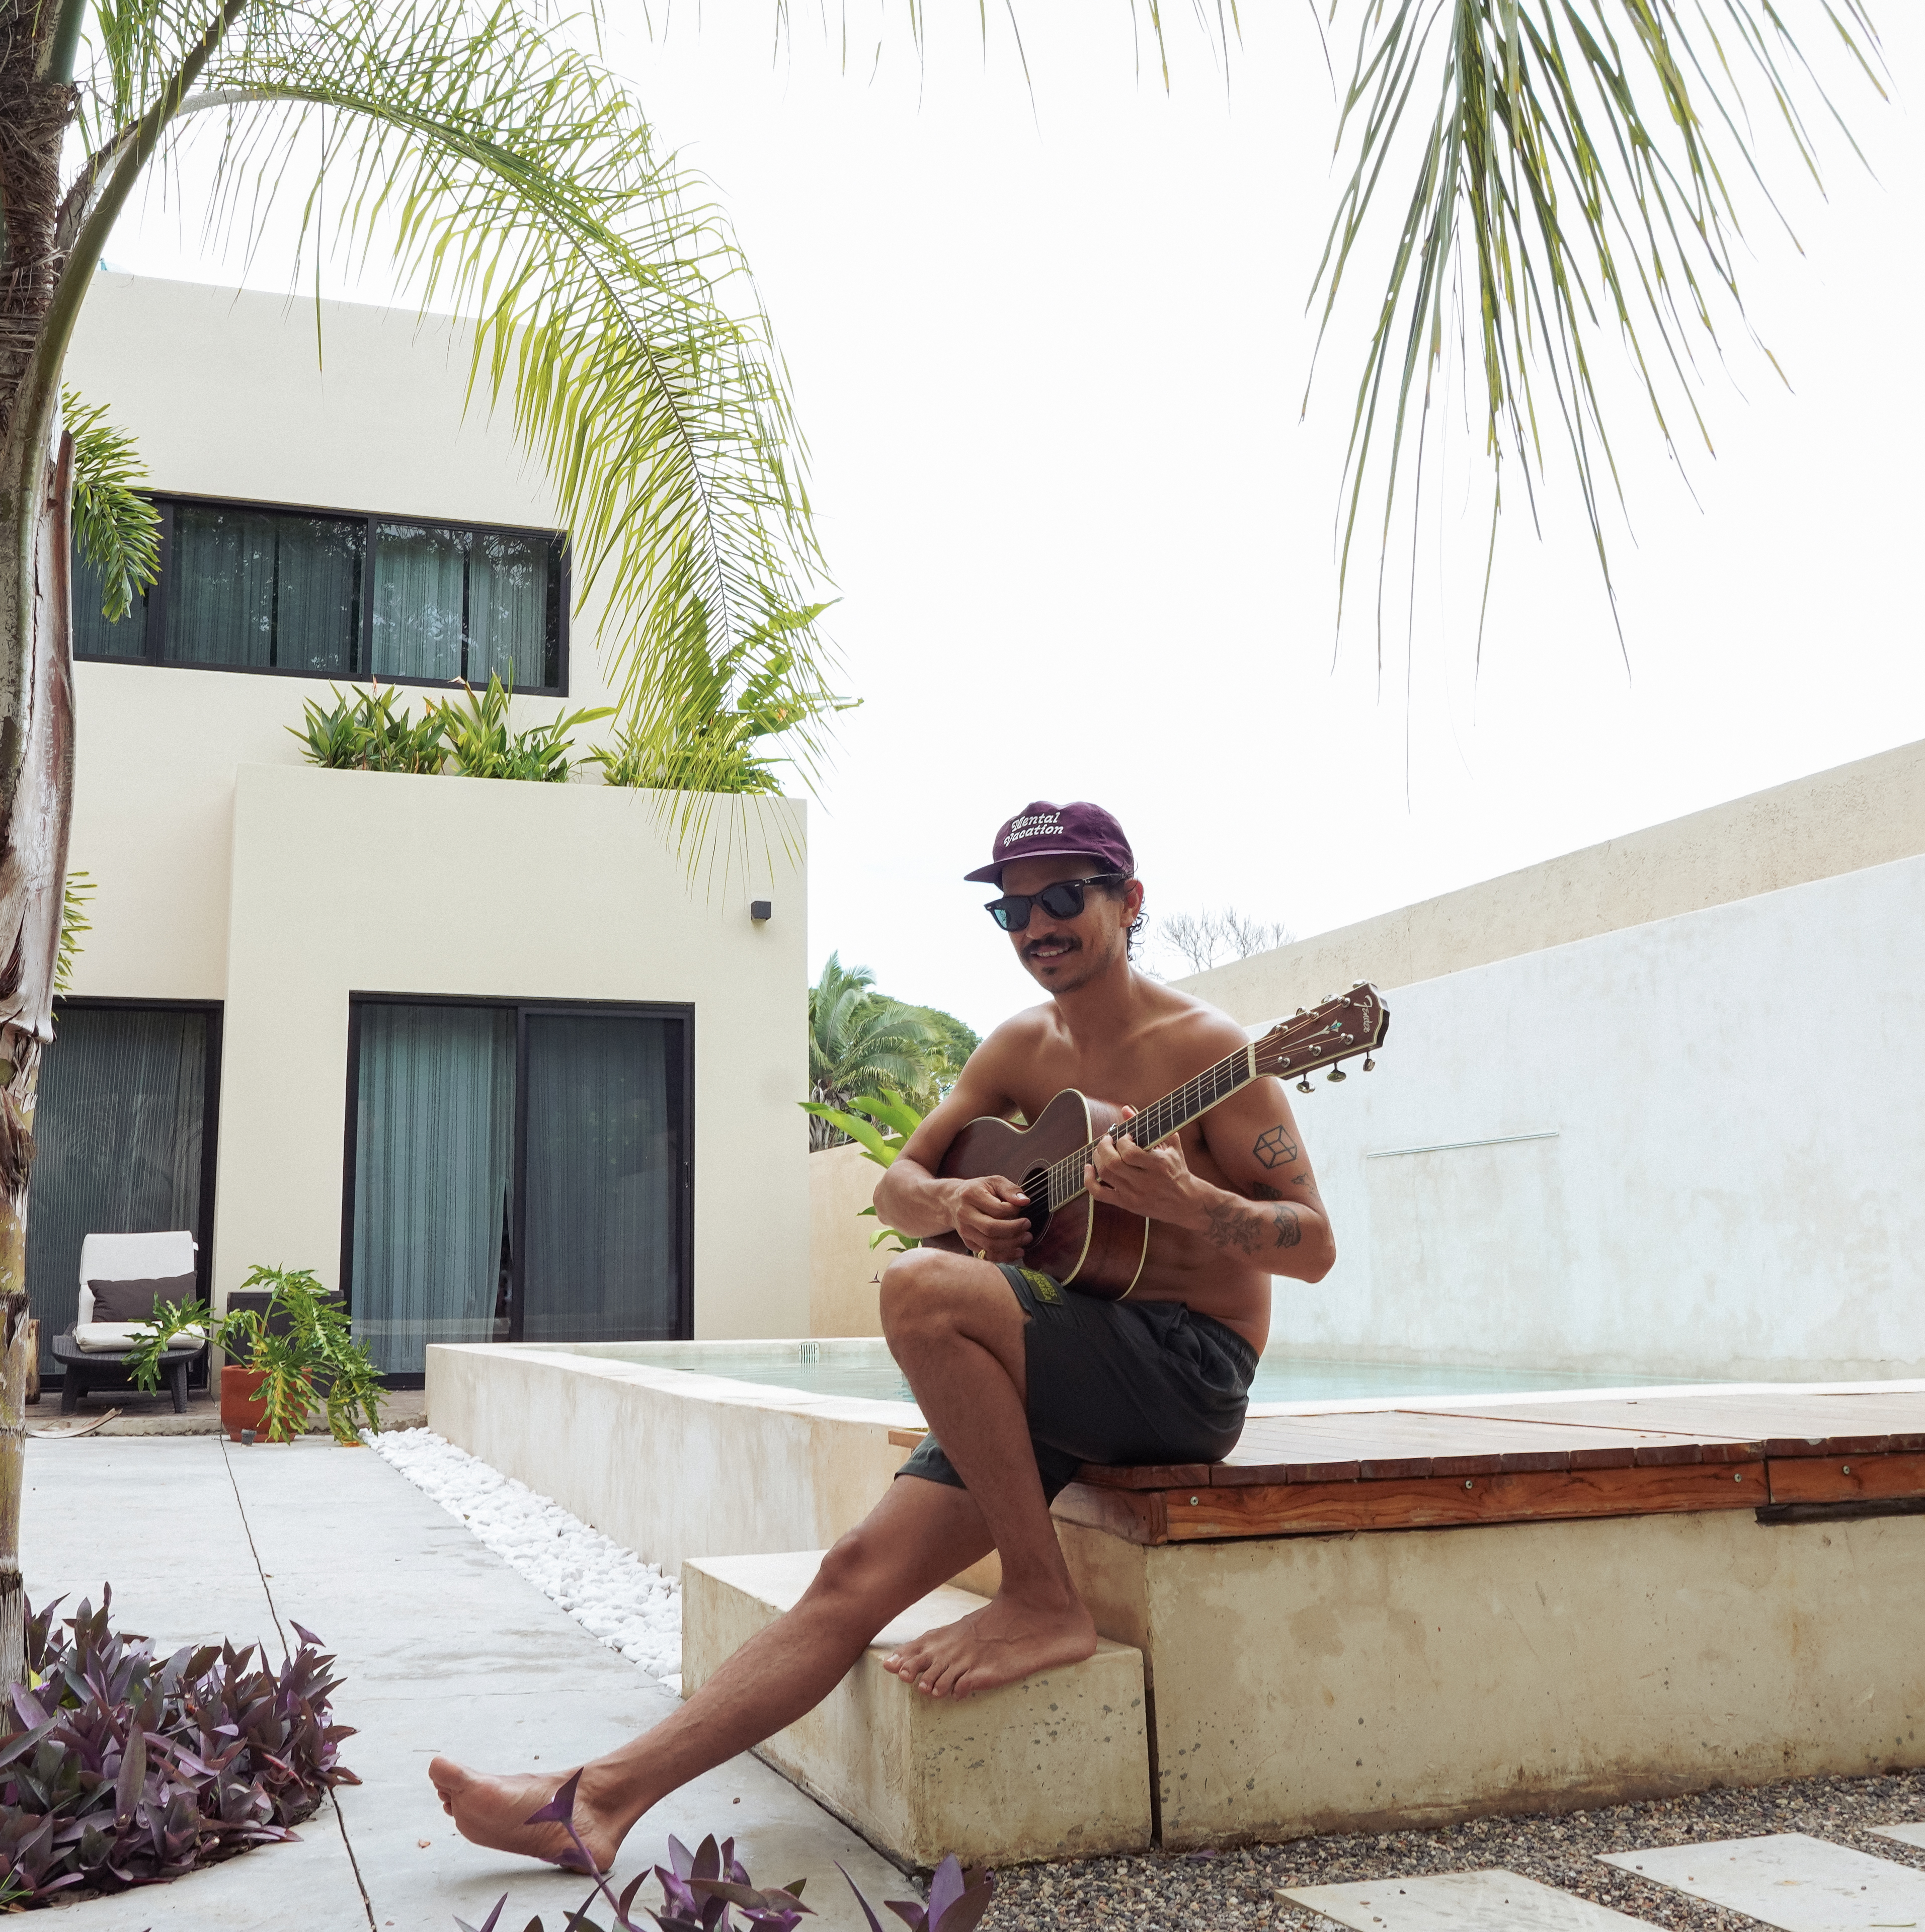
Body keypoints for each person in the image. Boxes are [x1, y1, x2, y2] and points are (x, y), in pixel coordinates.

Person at [431, 799, 1337, 1873]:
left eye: (1063, 897)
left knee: (922, 1295)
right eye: (1015, 906)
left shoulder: (1221, 1054)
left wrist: (1191, 1204)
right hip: (1064, 1352)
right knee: (854, 1569)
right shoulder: (1017, 1049)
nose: (1037, 923)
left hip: (1185, 1372)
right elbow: (900, 1184)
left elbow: (1314, 1245)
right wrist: (958, 1209)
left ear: (1129, 902)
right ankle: (591, 1805)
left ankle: (1043, 1600)